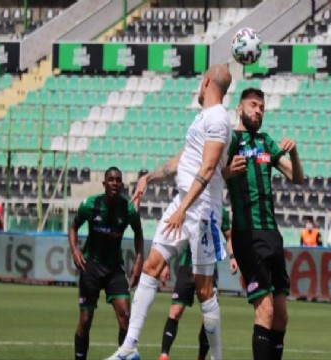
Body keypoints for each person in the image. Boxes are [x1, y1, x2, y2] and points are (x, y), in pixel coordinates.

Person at [106, 64, 233, 360]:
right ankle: (129, 347)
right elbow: (184, 159)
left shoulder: (218, 119)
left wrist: (184, 209)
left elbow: (210, 167)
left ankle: (217, 358)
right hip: (182, 202)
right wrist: (148, 177)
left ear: (205, 82)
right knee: (151, 265)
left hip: (202, 212)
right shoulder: (202, 118)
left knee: (203, 290)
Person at [223, 88, 304, 360]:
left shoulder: (266, 141)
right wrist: (226, 172)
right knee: (265, 311)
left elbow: (297, 178)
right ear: (240, 108)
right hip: (248, 234)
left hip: (272, 234)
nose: (258, 111)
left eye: (262, 107)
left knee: (281, 316)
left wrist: (293, 154)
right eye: (253, 105)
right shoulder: (231, 140)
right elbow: (211, 172)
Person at [68, 167, 144, 360]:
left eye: (118, 180)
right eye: (111, 179)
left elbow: (139, 234)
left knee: (126, 316)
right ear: (104, 183)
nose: (115, 183)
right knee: (85, 321)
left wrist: (139, 260)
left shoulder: (128, 210)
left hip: (114, 269)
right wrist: (75, 250)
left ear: (121, 185)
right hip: (91, 267)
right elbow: (74, 227)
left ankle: (124, 357)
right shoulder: (90, 205)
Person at [158, 207, 238, 360]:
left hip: (209, 269)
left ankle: (201, 357)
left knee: (209, 319)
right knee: (175, 311)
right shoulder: (190, 203)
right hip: (187, 267)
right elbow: (174, 235)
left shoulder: (221, 210)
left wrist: (232, 257)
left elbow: (228, 237)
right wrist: (165, 263)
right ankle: (164, 354)